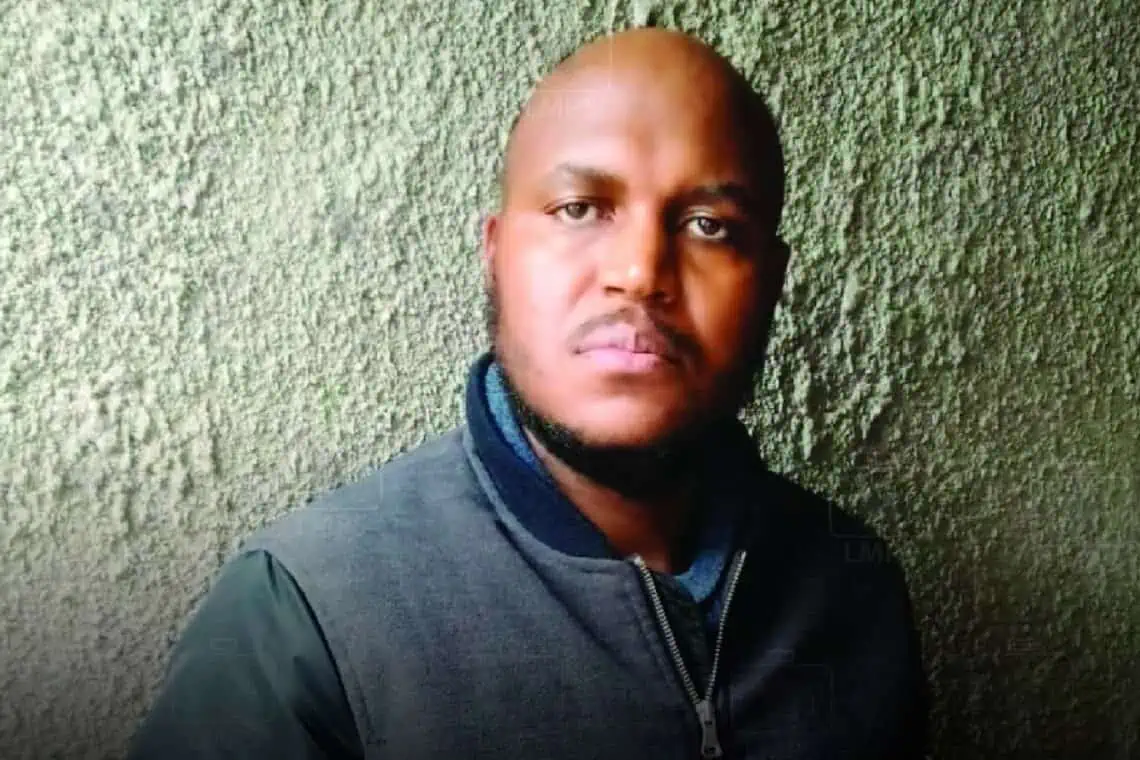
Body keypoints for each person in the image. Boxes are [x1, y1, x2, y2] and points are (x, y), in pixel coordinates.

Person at [127, 26, 929, 760]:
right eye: (580, 209)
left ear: (772, 283)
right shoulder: (302, 619)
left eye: (708, 225)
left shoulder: (852, 585)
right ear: (497, 255)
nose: (640, 272)